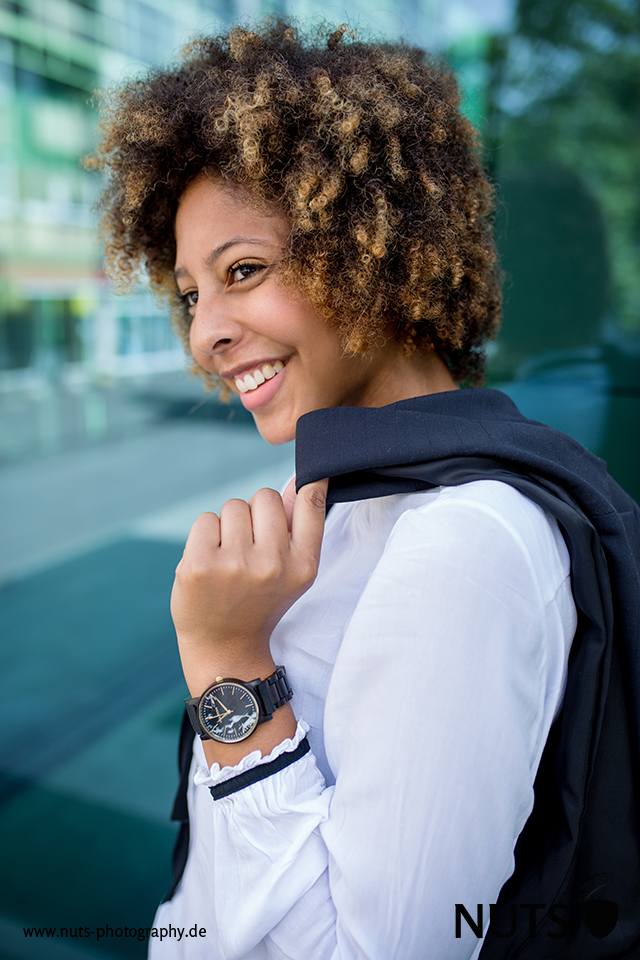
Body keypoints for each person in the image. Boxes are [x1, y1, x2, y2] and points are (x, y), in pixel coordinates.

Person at [89, 20, 640, 959]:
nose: (204, 336)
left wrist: (229, 667)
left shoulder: (461, 544)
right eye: (190, 294)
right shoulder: (369, 499)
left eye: (245, 272)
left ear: (373, 254)